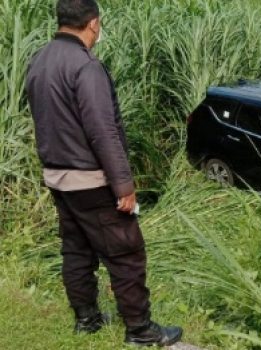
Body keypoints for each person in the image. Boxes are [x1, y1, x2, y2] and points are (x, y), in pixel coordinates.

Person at [25, 0, 182, 346]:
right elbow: (103, 131)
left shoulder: (39, 60)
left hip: (56, 176)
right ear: (93, 23)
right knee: (125, 251)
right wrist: (124, 185)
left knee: (76, 248)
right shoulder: (85, 66)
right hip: (91, 180)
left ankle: (87, 319)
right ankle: (140, 330)